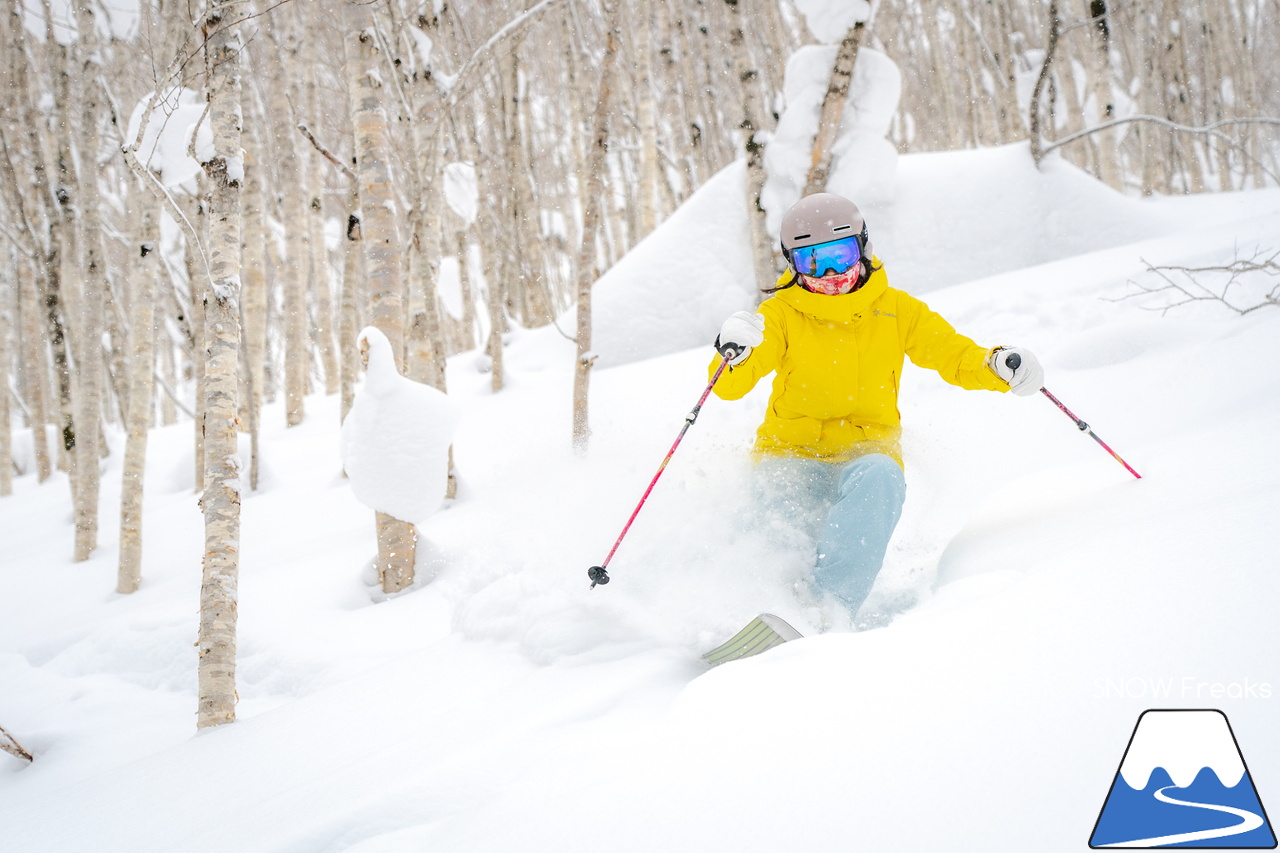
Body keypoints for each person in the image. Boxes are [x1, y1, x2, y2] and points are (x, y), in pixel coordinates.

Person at [710, 192, 1043, 623]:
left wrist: (996, 366)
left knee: (882, 478)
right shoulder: (778, 316)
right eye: (812, 261)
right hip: (789, 450)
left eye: (839, 254)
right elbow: (730, 387)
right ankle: (756, 609)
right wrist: (730, 354)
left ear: (863, 248)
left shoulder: (897, 310)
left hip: (866, 450)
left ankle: (829, 610)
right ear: (793, 264)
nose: (830, 272)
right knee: (777, 504)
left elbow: (953, 355)